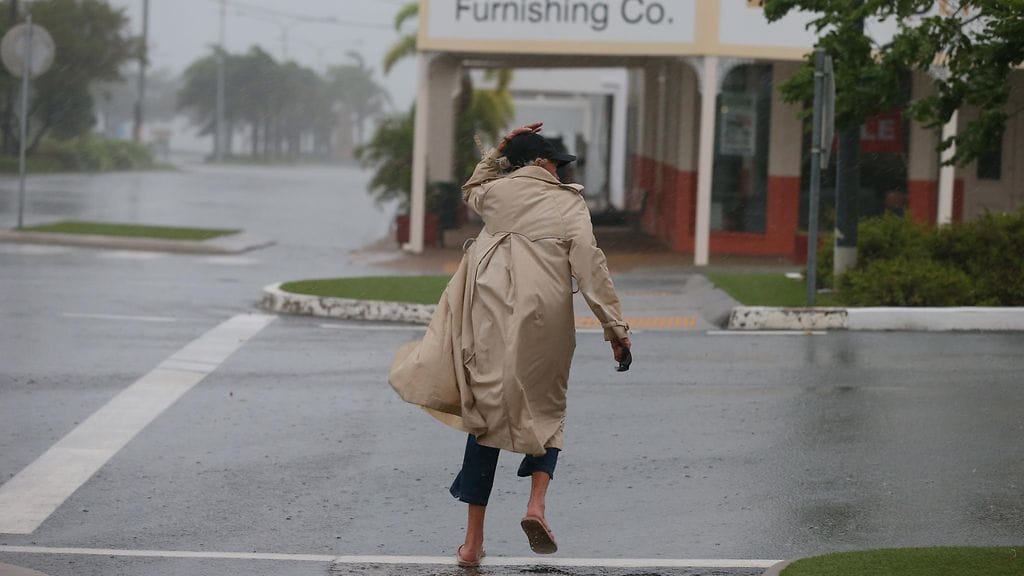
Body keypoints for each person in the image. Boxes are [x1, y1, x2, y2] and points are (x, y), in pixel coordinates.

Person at [389, 122, 631, 568]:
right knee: (547, 408)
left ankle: (472, 543)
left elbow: (472, 187)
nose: (559, 171)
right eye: (555, 163)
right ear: (540, 163)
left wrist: (499, 149)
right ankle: (536, 505)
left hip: (488, 321)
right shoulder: (568, 204)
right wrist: (615, 329)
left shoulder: (496, 196)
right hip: (545, 321)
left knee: (485, 420)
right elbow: (591, 268)